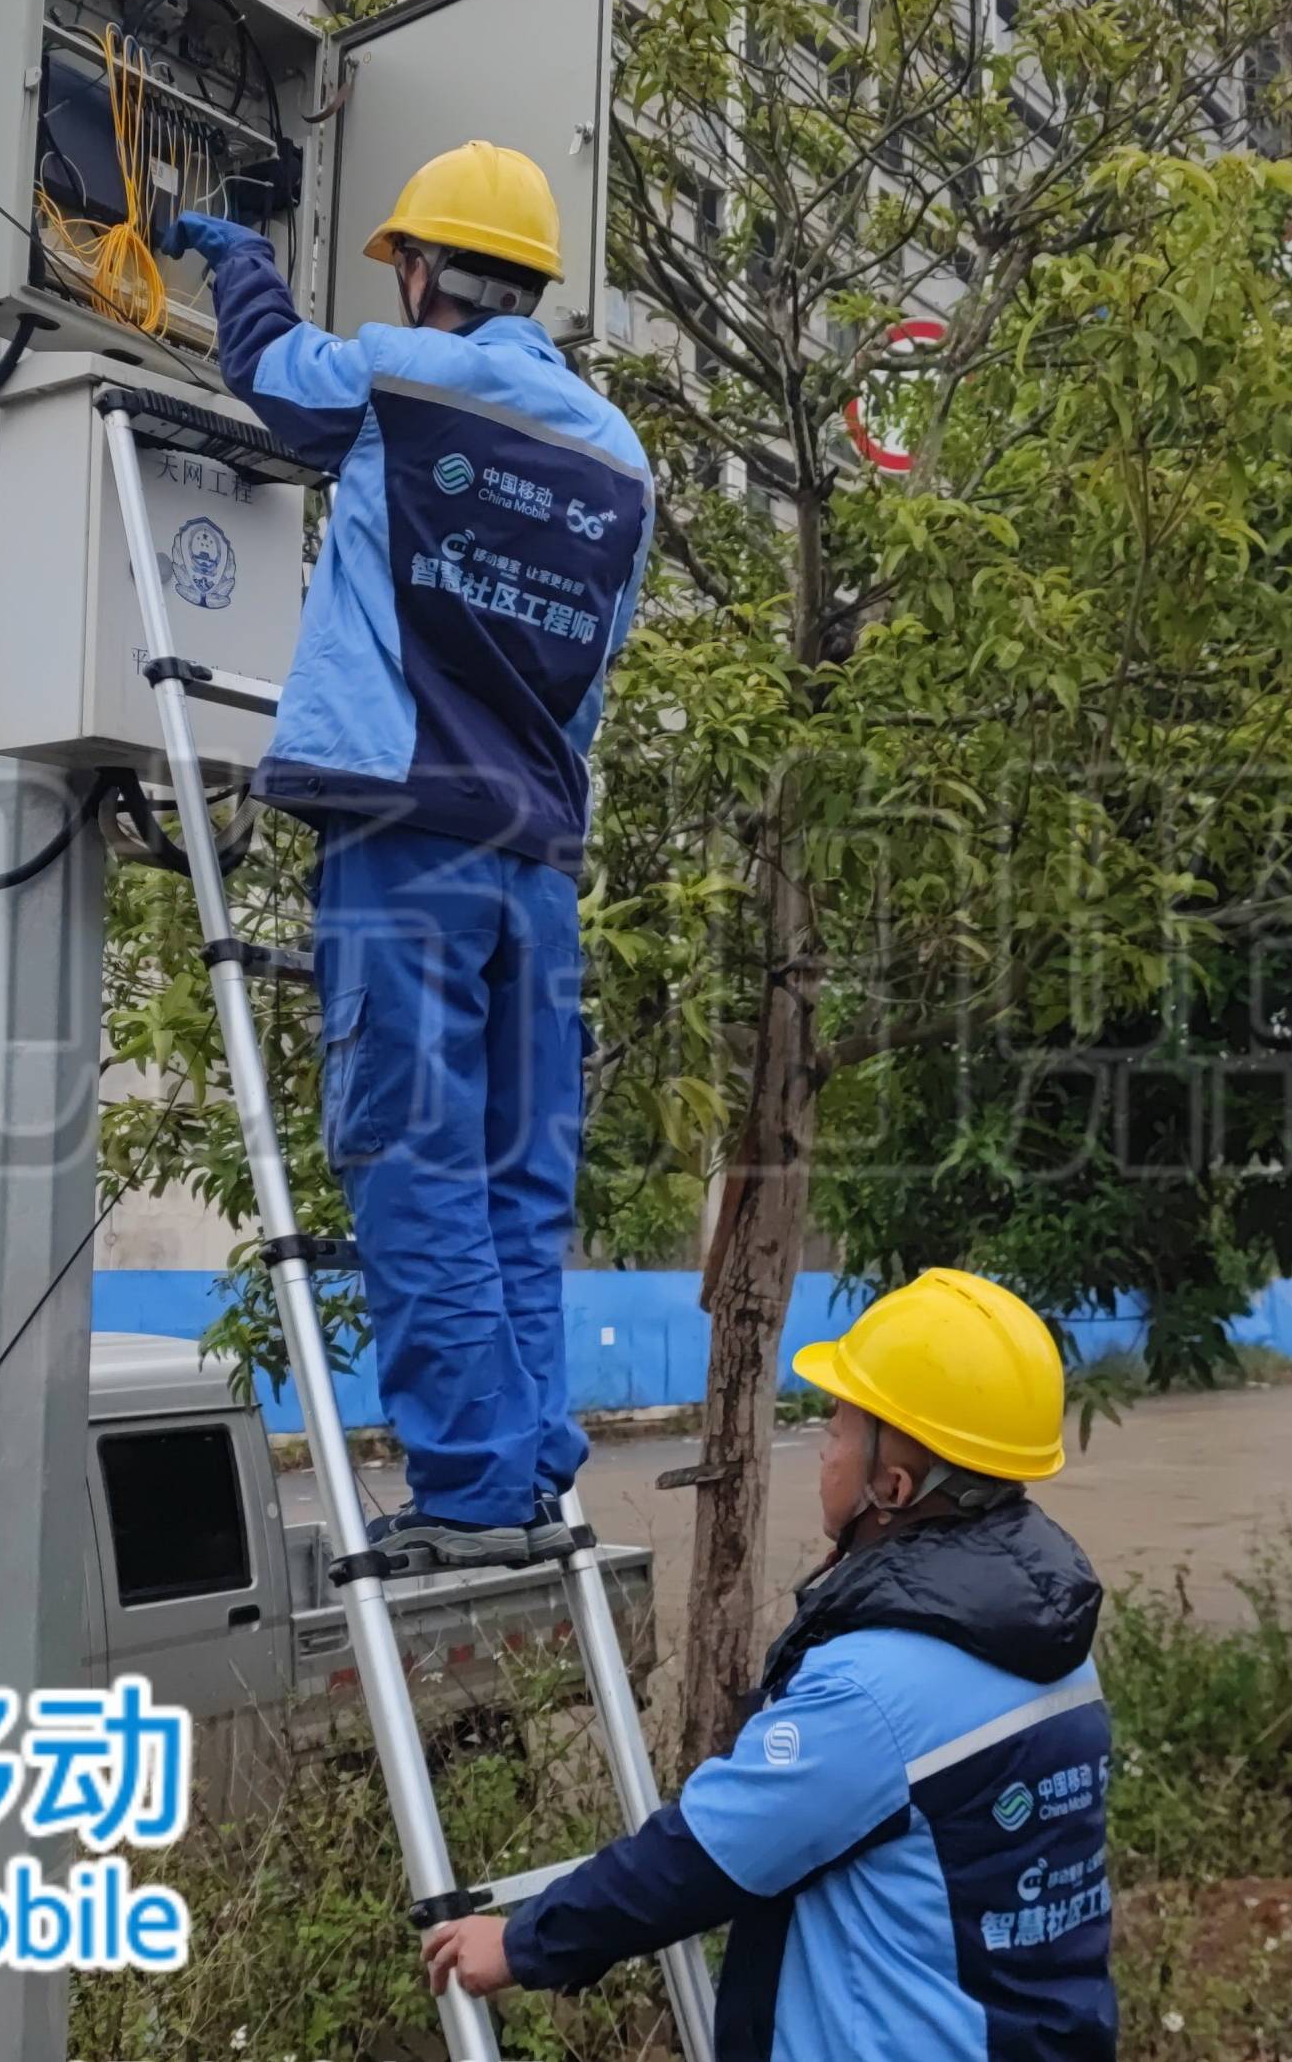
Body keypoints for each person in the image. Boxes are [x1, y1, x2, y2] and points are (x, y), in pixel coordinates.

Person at [170, 143, 653, 1572]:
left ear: (423, 269)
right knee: (515, 1177)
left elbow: (271, 372)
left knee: (413, 1157)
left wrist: (235, 261)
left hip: (406, 838)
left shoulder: (395, 375)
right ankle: (525, 1453)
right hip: (538, 865)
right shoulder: (618, 454)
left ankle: (464, 1481)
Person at [420, 1269, 1117, 2061]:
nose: (821, 1448)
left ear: (892, 1482)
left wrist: (520, 1942)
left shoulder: (872, 1693)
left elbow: (701, 1857)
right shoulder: (1048, 1643)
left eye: (835, 1427)